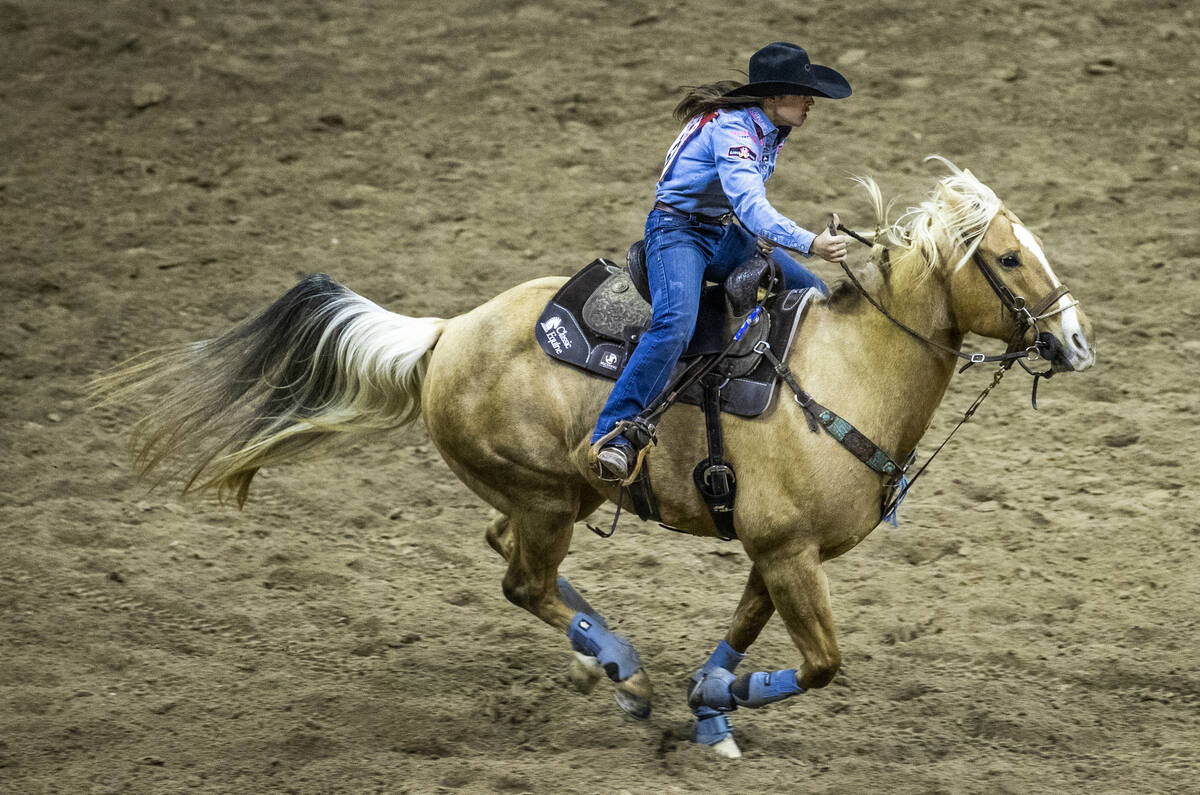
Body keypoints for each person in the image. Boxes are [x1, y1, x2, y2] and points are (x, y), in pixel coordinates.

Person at [590, 41, 852, 482]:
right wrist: (810, 242)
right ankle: (614, 435)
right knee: (675, 322)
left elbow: (744, 207)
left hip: (721, 231)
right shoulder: (733, 131)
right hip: (677, 232)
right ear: (773, 98)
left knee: (812, 293)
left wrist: (759, 238)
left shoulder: (768, 129)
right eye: (802, 92)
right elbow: (751, 204)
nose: (811, 101)